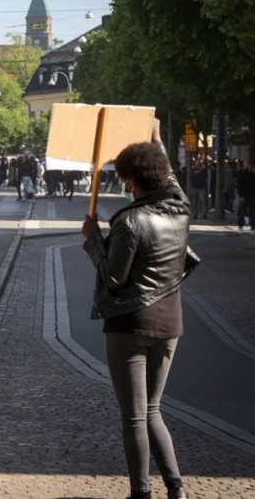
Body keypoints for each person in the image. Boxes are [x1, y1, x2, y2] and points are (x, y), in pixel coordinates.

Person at [81, 120, 190, 499]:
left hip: (130, 325)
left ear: (133, 180)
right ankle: (175, 488)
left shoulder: (129, 222)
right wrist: (157, 141)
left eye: (126, 178)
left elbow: (113, 277)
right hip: (169, 325)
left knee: (134, 416)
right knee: (153, 410)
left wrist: (94, 240)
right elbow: (171, 179)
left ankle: (141, 493)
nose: (124, 184)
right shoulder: (181, 209)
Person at [237, 160, 255, 235]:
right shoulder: (243, 175)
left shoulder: (251, 175)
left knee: (251, 212)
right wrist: (241, 195)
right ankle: (242, 227)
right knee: (243, 212)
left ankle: (252, 228)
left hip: (251, 195)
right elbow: (240, 186)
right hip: (246, 195)